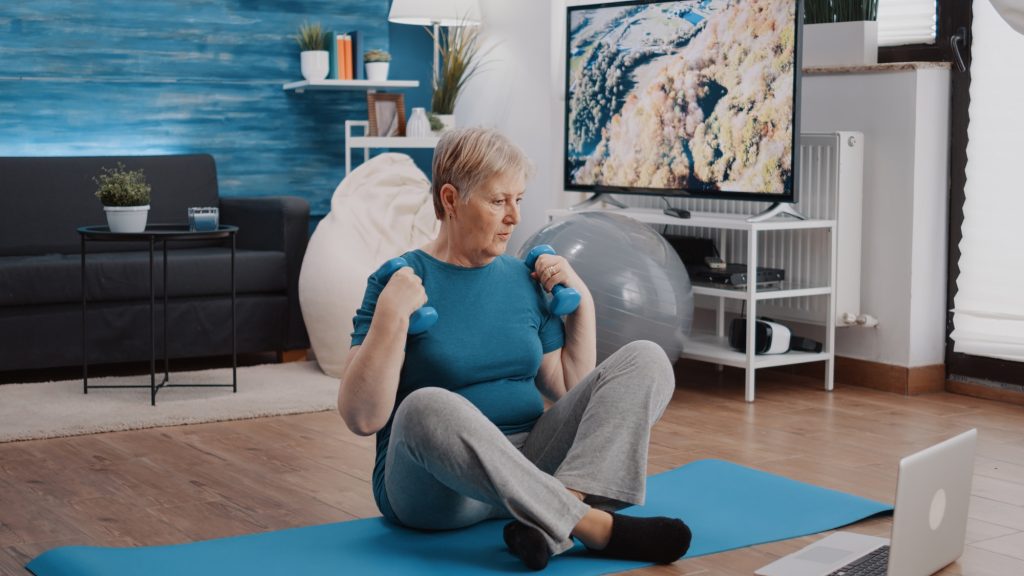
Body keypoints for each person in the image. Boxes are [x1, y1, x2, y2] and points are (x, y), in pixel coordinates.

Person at [338, 127, 691, 571]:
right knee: (423, 405)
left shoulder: (522, 280)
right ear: (450, 199)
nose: (514, 217)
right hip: (437, 492)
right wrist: (391, 316)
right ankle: (591, 527)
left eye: (518, 200)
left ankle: (549, 519)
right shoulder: (398, 281)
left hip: (531, 462)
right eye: (497, 201)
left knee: (648, 358)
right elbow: (361, 418)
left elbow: (572, 390)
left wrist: (583, 304)